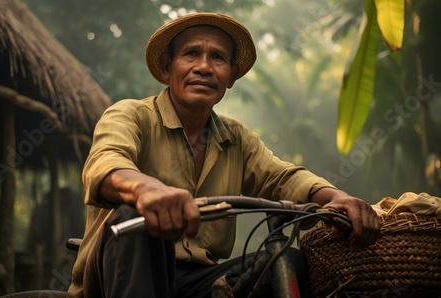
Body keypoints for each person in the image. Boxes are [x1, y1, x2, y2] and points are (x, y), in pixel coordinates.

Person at [68, 12, 380, 298]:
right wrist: (147, 190)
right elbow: (106, 162)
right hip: (113, 277)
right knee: (136, 216)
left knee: (285, 259)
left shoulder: (237, 139)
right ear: (167, 67)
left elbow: (283, 177)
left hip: (197, 283)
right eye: (191, 54)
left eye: (217, 58)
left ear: (230, 77)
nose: (203, 67)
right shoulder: (131, 114)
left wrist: (336, 198)